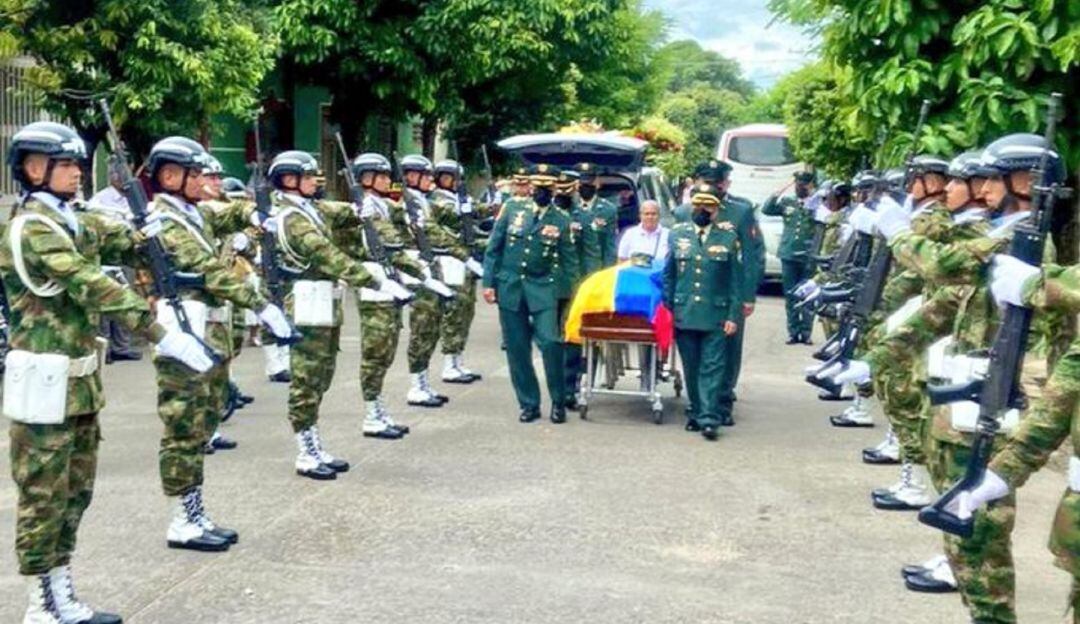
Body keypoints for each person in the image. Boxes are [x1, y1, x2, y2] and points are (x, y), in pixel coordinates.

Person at [2, 122, 213, 624]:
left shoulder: (73, 219)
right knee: (43, 498)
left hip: (78, 383)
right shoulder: (33, 228)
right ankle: (41, 603)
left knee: (76, 493)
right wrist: (161, 331)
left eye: (78, 164)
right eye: (67, 164)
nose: (78, 172)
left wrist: (148, 232)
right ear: (34, 169)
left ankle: (61, 589)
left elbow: (119, 238)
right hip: (42, 386)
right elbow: (88, 281)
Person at [144, 136, 295, 550]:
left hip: (203, 328)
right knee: (183, 428)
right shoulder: (163, 220)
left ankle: (194, 513)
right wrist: (261, 305)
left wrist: (256, 212)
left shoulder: (193, 212)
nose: (203, 181)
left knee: (200, 425)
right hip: (179, 332)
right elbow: (208, 269)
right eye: (195, 174)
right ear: (171, 176)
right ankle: (181, 519)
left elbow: (228, 212)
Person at [482, 163, 577, 423]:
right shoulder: (513, 209)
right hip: (510, 286)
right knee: (517, 348)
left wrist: (572, 297)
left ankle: (558, 400)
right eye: (537, 187)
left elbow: (570, 263)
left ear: (554, 189)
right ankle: (529, 403)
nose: (541, 192)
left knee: (550, 342)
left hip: (543, 287)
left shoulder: (561, 219)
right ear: (531, 187)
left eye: (546, 188)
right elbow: (494, 247)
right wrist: (488, 282)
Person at [663, 184, 741, 441]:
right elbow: (669, 275)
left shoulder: (728, 237)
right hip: (685, 312)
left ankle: (709, 418)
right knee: (692, 366)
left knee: (713, 366)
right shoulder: (677, 234)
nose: (701, 211)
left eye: (707, 206)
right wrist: (669, 310)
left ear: (716, 210)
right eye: (697, 205)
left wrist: (732, 315)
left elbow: (734, 282)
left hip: (715, 313)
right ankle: (696, 411)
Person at [429, 159, 488, 384]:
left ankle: (458, 358)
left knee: (466, 311)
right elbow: (453, 215)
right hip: (449, 260)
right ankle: (448, 363)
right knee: (454, 312)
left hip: (465, 260)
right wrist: (474, 208)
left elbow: (472, 216)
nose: (452, 182)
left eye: (455, 178)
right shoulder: (436, 198)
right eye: (447, 177)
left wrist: (488, 207)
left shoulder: (458, 197)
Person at [88, 161, 143, 362]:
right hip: (107, 257)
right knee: (106, 301)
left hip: (127, 256)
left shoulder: (133, 198)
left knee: (126, 298)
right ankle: (106, 346)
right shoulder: (100, 200)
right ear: (112, 178)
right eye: (121, 176)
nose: (125, 180)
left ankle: (123, 346)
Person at [762, 171, 817, 344]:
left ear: (810, 185)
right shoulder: (788, 202)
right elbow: (767, 209)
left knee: (809, 296)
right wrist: (776, 193)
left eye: (804, 184)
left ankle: (806, 333)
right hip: (789, 254)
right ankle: (793, 332)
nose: (800, 187)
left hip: (808, 255)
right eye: (798, 184)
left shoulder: (817, 205)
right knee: (791, 294)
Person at [576, 162, 619, 268]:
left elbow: (609, 245)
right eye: (583, 184)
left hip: (595, 267)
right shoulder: (568, 206)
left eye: (589, 184)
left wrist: (608, 272)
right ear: (577, 185)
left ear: (597, 184)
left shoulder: (608, 209)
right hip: (573, 267)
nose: (586, 187)